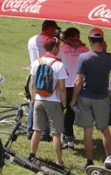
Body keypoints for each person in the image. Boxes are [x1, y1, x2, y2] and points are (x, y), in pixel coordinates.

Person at [71, 27, 111, 168]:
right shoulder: (110, 57)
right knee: (104, 129)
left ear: (90, 40)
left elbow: (78, 81)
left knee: (88, 130)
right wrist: (105, 50)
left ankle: (89, 161)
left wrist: (73, 99)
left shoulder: (84, 57)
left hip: (85, 96)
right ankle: (110, 159)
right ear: (102, 40)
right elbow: (106, 64)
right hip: (102, 98)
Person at [29, 37, 67, 165]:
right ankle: (59, 161)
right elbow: (62, 88)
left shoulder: (36, 62)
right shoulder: (59, 65)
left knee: (37, 130)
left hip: (38, 100)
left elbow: (33, 84)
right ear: (55, 47)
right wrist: (64, 104)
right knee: (56, 133)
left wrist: (33, 99)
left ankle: (32, 155)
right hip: (53, 101)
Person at [26, 20, 59, 139]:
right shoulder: (49, 41)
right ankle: (44, 132)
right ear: (50, 28)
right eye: (54, 29)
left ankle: (30, 130)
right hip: (47, 74)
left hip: (34, 71)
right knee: (46, 101)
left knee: (34, 101)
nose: (55, 32)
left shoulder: (31, 40)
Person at [58, 27, 88, 149]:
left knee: (63, 111)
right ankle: (68, 137)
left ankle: (65, 136)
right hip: (80, 84)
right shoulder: (85, 49)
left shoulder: (61, 48)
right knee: (72, 112)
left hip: (65, 83)